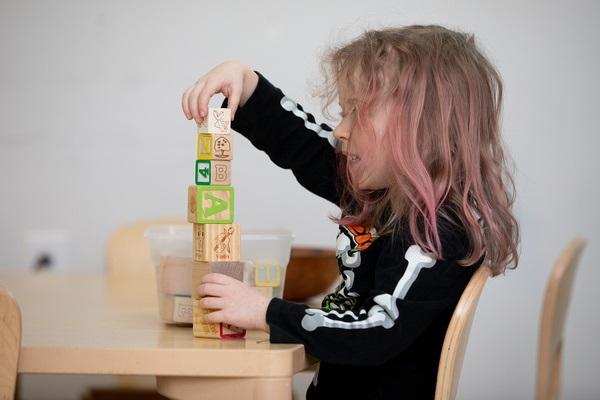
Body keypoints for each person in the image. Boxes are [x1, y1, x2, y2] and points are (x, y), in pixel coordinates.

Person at [182, 25, 519, 399]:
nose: (341, 130)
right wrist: (247, 87)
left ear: (420, 130)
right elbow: (307, 147)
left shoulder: (436, 230)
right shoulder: (388, 195)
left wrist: (266, 312)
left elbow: (378, 331)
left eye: (356, 114)